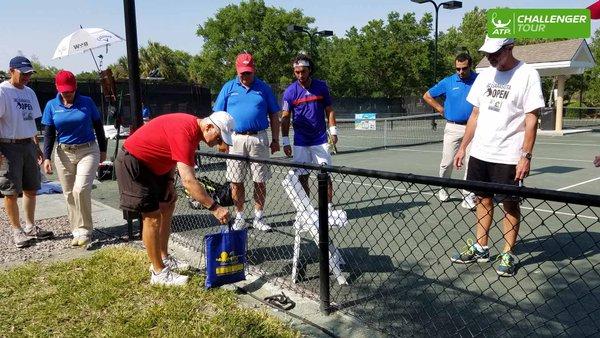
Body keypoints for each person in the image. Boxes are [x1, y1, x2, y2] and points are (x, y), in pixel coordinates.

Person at [452, 37, 544, 277]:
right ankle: (481, 246)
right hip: (481, 152)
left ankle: (508, 251)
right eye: (487, 53)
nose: (490, 58)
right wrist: (463, 147)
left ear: (509, 48)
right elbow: (475, 114)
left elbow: (532, 119)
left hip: (509, 155)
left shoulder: (527, 75)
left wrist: (525, 156)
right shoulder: (484, 75)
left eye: (495, 53)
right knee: (482, 199)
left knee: (510, 204)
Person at [115, 111, 233, 286]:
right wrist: (215, 208)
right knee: (152, 217)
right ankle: (158, 273)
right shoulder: (186, 132)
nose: (219, 143)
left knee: (168, 204)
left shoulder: (193, 132)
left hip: (155, 167)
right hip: (135, 162)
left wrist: (169, 182)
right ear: (208, 127)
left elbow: (171, 154)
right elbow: (189, 181)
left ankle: (163, 256)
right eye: (218, 138)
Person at [213, 52, 280, 231]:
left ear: (253, 70)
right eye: (242, 72)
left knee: (260, 180)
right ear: (237, 70)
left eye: (248, 72)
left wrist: (275, 139)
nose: (245, 76)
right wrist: (221, 141)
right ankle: (240, 216)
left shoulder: (263, 88)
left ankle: (258, 217)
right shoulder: (228, 87)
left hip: (259, 138)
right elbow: (217, 116)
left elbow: (274, 114)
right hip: (235, 139)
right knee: (236, 181)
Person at [41, 70, 107, 247]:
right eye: (64, 90)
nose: (67, 93)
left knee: (80, 189)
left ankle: (86, 229)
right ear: (57, 88)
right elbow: (48, 133)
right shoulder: (51, 105)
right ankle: (76, 229)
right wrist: (46, 157)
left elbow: (98, 125)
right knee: (69, 193)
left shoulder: (87, 102)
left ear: (75, 87)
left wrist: (103, 149)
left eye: (70, 90)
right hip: (63, 153)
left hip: (88, 150)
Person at [0, 56, 54, 248]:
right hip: (8, 145)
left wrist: (36, 145)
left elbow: (31, 122)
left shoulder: (29, 92)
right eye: (23, 73)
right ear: (11, 71)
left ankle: (30, 226)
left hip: (28, 145)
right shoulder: (2, 91)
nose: (27, 77)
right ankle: (16, 231)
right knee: (11, 190)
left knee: (31, 188)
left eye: (29, 74)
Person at [281, 54, 338, 205]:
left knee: (325, 175)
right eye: (297, 72)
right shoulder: (289, 92)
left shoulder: (321, 87)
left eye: (303, 71)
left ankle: (328, 209)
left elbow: (329, 110)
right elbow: (285, 117)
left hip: (320, 140)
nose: (300, 75)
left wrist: (333, 132)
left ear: (310, 70)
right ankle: (306, 210)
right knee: (302, 177)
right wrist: (285, 141)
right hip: (300, 141)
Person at [422, 53, 478, 209]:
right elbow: (427, 95)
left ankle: (467, 196)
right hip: (453, 128)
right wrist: (440, 108)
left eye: (464, 68)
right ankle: (443, 188)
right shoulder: (448, 81)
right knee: (447, 162)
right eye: (458, 69)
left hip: (473, 128)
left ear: (470, 66)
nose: (460, 72)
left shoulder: (479, 80)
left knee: (470, 163)